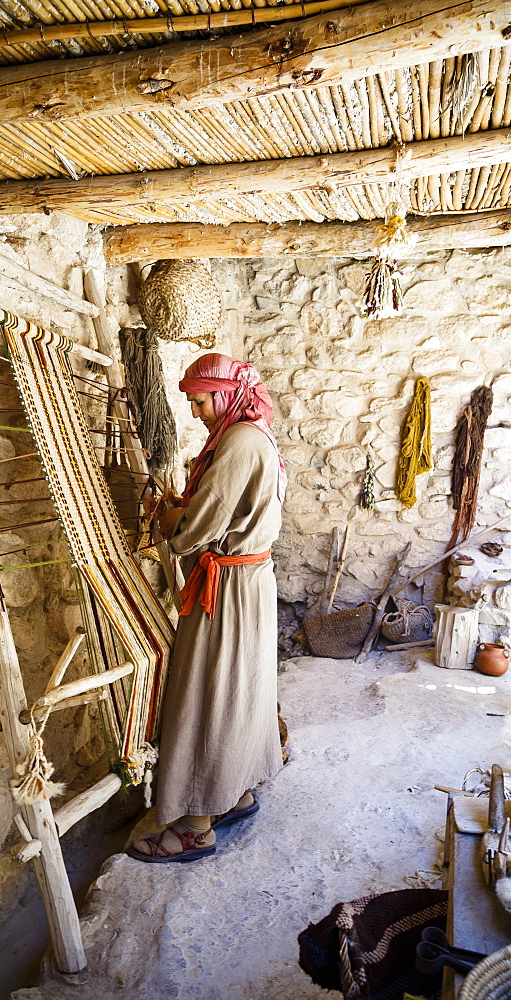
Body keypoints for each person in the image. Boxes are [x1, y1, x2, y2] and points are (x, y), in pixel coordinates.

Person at [128, 353, 287, 863]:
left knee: (206, 694)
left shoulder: (239, 443)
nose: (195, 412)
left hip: (229, 587)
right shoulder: (251, 432)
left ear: (224, 394)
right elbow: (223, 510)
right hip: (247, 580)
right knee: (238, 688)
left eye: (199, 401)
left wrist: (167, 513)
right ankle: (233, 792)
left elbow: (195, 530)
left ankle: (198, 824)